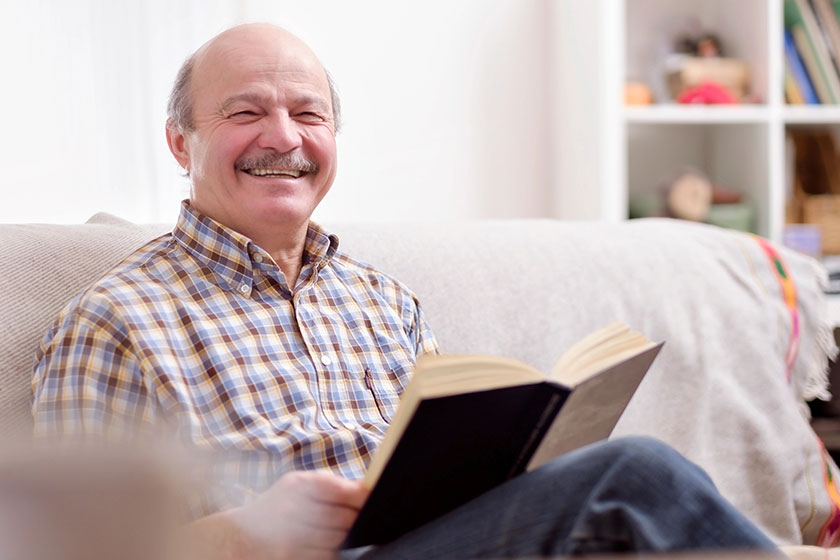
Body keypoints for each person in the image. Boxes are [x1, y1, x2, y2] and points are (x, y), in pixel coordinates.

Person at [31, 23, 778, 559]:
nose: (284, 137)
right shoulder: (115, 323)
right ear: (180, 142)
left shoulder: (382, 302)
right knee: (632, 474)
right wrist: (246, 533)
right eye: (246, 111)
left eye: (309, 113)